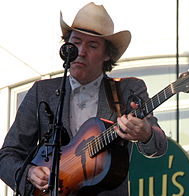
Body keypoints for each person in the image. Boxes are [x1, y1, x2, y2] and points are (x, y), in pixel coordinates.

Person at [0, 2, 167, 196]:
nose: (81, 51)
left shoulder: (128, 89)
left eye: (92, 45)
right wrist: (29, 173)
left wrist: (146, 133)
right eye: (76, 43)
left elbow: (158, 145)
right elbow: (7, 156)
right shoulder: (42, 91)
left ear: (107, 54)